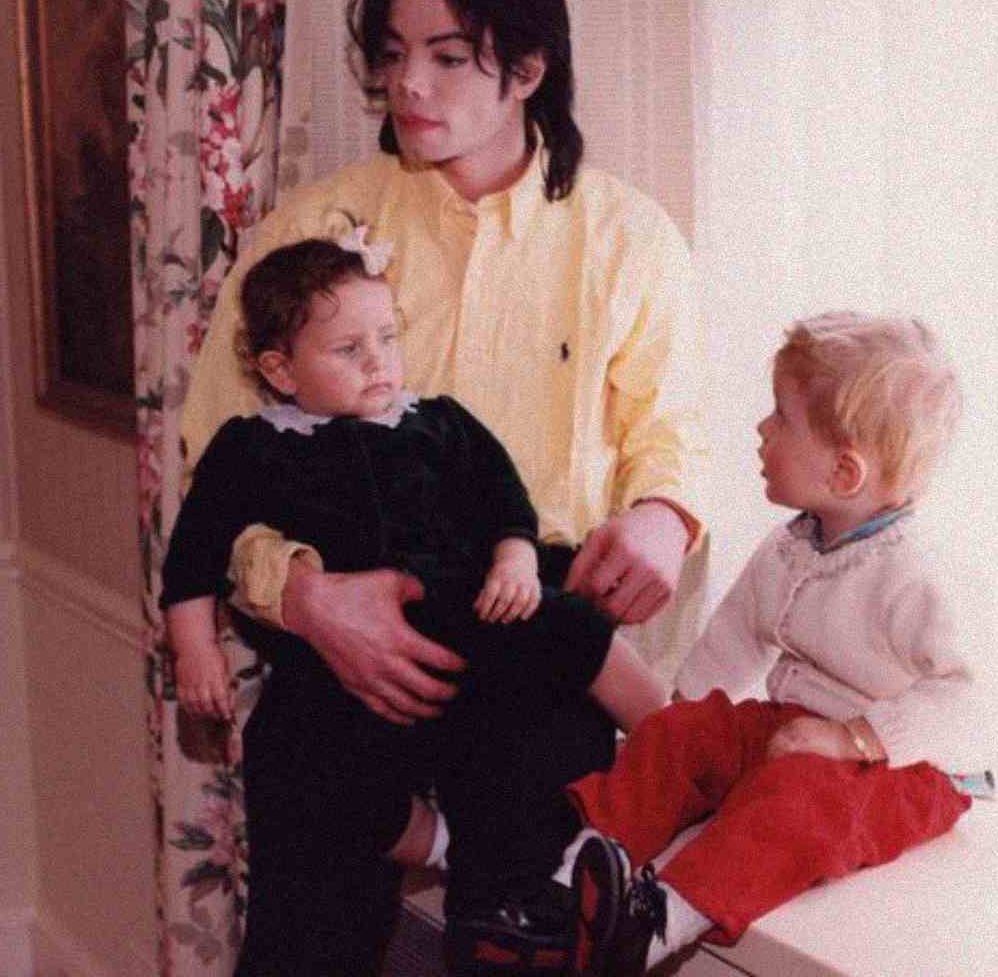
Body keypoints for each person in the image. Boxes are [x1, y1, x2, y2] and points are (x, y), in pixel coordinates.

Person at [177, 0, 707, 975]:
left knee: (524, 952)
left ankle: (696, 754)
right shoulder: (313, 231)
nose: (407, 84)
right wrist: (303, 598)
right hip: (342, 646)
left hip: (530, 641)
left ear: (528, 70)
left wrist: (661, 514)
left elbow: (670, 435)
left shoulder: (628, 239)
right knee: (300, 955)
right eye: (392, 54)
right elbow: (216, 461)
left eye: (448, 56)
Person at [161, 233, 667, 813]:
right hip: (343, 648)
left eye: (388, 337)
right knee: (291, 764)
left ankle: (674, 735)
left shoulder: (439, 421)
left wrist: (516, 559)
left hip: (464, 603)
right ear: (281, 370)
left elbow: (504, 498)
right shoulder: (250, 446)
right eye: (348, 349)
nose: (377, 361)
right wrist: (196, 650)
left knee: (571, 625)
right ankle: (430, 844)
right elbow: (194, 555)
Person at [564, 312, 981, 975]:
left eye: (781, 418)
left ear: (844, 472)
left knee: (799, 802)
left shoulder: (915, 574)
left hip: (899, 766)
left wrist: (855, 740)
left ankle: (662, 917)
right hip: (796, 725)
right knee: (680, 733)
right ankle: (571, 875)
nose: (762, 429)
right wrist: (687, 719)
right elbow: (736, 635)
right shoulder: (793, 545)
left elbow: (969, 695)